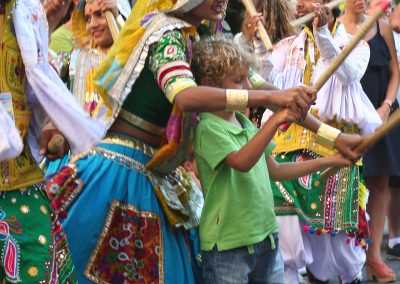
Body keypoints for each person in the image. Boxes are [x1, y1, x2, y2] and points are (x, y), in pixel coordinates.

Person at [191, 37, 354, 284]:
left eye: (248, 78)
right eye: (238, 81)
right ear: (209, 86)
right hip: (227, 246)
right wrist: (275, 120)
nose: (248, 87)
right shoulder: (208, 128)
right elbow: (242, 161)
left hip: (266, 236)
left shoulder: (242, 121)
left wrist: (329, 160)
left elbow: (275, 170)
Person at [252, 0, 382, 282]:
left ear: (329, 5)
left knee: (335, 240)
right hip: (286, 144)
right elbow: (264, 81)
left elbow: (347, 74)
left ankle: (341, 278)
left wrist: (322, 33)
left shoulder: (357, 44)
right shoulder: (286, 45)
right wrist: (258, 44)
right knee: (285, 228)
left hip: (335, 144)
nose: (303, 3)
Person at [0, 0, 106, 281]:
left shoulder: (24, 12)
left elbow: (35, 82)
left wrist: (49, 125)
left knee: (38, 265)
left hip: (20, 180)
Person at [340, 0, 400, 282]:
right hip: (348, 116)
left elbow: (395, 73)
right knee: (346, 179)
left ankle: (374, 255)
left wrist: (387, 105)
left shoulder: (383, 26)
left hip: (382, 111)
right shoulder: (333, 27)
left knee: (380, 181)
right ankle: (344, 255)